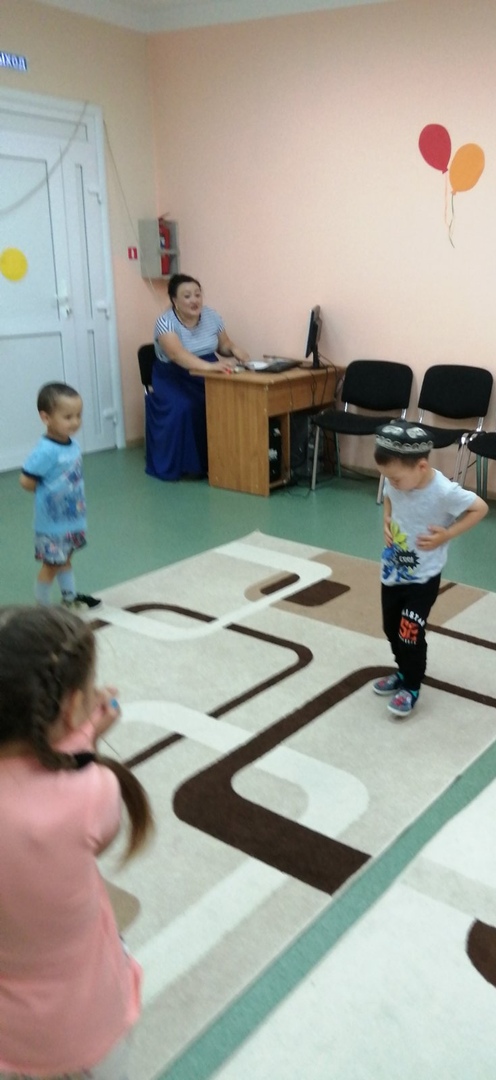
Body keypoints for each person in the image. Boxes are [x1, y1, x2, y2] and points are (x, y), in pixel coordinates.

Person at [0, 605, 154, 1080]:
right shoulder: (93, 792)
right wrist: (86, 743)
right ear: (70, 708)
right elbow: (97, 838)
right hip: (82, 1030)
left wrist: (75, 733)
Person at [372, 421, 488, 718]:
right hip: (393, 571)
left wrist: (447, 534)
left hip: (423, 578)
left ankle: (412, 685)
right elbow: (389, 495)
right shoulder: (396, 478)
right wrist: (386, 519)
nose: (391, 482)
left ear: (422, 466)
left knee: (409, 632)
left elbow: (480, 508)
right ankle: (402, 670)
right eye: (387, 477)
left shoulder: (444, 491)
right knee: (391, 628)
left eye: (395, 478)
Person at [146, 273, 250, 481]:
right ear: (175, 301)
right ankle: (190, 466)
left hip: (207, 369)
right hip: (173, 375)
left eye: (197, 294)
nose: (194, 300)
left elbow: (223, 344)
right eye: (187, 296)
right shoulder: (165, 322)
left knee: (226, 402)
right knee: (185, 406)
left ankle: (222, 460)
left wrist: (234, 349)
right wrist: (210, 367)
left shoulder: (211, 316)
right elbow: (177, 355)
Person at [20, 381, 100, 610]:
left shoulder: (72, 445)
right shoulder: (45, 451)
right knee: (51, 565)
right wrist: (49, 494)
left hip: (73, 519)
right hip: (52, 525)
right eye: (67, 417)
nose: (75, 422)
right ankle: (43, 610)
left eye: (78, 416)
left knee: (66, 559)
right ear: (46, 418)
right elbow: (26, 481)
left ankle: (69, 598)